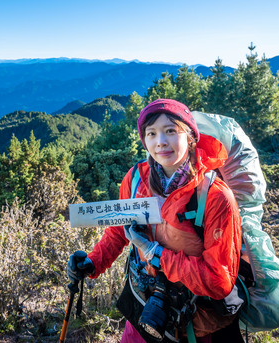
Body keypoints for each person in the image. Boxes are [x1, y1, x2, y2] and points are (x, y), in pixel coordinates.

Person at [67, 99, 244, 343]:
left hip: (195, 324)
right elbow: (120, 230)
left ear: (191, 137)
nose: (160, 141)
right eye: (151, 133)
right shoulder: (136, 179)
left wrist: (156, 253)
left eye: (171, 131)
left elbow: (218, 281)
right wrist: (92, 262)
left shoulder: (215, 197)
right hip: (145, 307)